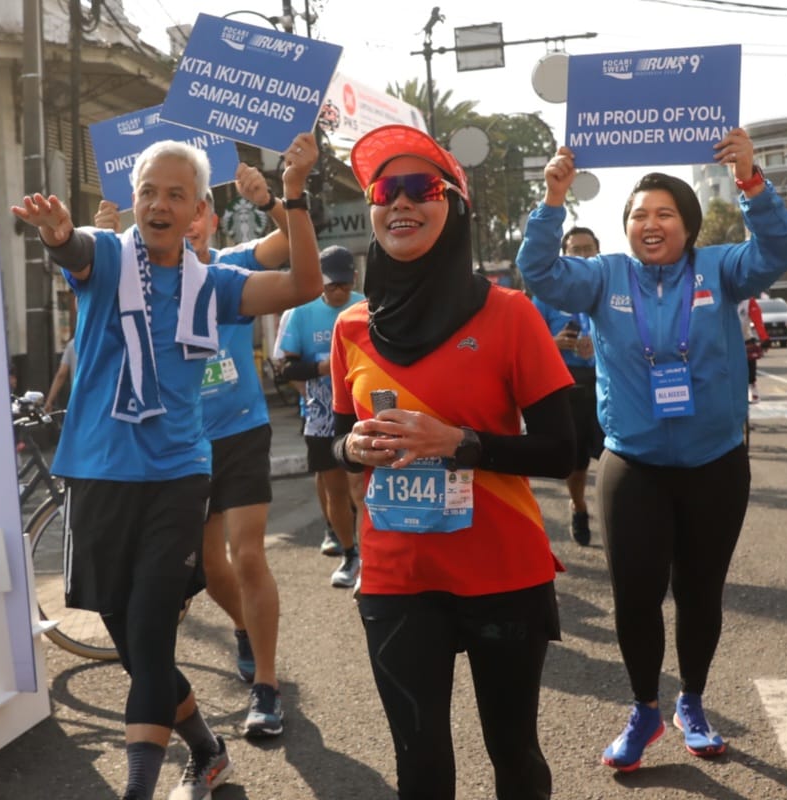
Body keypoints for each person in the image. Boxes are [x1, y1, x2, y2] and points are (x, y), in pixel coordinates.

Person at [9, 131, 323, 800]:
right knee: (136, 651)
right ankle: (207, 751)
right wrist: (60, 234)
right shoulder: (110, 260)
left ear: (198, 210)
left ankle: (138, 791)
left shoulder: (215, 285)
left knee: (151, 634)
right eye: (148, 191)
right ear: (135, 199)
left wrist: (293, 197)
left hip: (178, 479)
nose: (158, 203)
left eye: (175, 194)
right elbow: (74, 248)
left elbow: (303, 283)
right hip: (97, 474)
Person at [516, 128, 787, 772]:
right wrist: (553, 200)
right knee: (636, 597)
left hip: (715, 463)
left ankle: (691, 703)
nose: (651, 223)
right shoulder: (603, 276)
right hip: (633, 465)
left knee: (701, 593)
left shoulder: (723, 267)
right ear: (625, 227)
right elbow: (539, 271)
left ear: (688, 225)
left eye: (665, 213)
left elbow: (778, 248)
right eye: (639, 214)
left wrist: (753, 182)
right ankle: (645, 709)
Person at [331, 124, 576, 800]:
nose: (400, 202)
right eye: (387, 189)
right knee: (421, 770)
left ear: (454, 206)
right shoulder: (351, 326)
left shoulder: (510, 314)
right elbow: (340, 435)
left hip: (501, 565)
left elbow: (565, 447)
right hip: (396, 573)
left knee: (514, 757)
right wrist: (348, 448)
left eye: (421, 187)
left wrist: (461, 444)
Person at [92, 162, 298, 739]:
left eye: (185, 203)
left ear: (204, 214)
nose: (175, 217)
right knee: (209, 568)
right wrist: (102, 235)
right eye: (154, 199)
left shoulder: (229, 268)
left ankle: (268, 686)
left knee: (248, 553)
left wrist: (271, 200)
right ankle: (244, 628)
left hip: (240, 431)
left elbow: (292, 251)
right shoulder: (138, 273)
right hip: (183, 445)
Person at [277, 246, 364, 589]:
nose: (338, 292)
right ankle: (348, 552)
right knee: (334, 489)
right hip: (320, 414)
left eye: (343, 285)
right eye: (331, 287)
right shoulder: (302, 313)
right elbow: (285, 367)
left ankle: (370, 554)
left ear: (352, 280)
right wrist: (321, 368)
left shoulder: (363, 306)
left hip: (358, 409)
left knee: (359, 486)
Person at [530, 226, 604, 546]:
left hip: (608, 381)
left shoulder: (610, 287)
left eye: (588, 248)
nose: (583, 254)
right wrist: (553, 343)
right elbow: (528, 343)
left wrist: (600, 345)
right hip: (569, 385)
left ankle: (622, 513)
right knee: (577, 461)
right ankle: (578, 505)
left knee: (619, 453)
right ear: (565, 254)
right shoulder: (547, 294)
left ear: (597, 251)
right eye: (576, 249)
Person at [738, 296, 768, 403]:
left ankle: (752, 387)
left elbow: (757, 320)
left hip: (745, 338)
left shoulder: (748, 301)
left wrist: (764, 338)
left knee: (750, 364)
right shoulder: (722, 296)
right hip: (727, 340)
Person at [44, 335, 76, 413]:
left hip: (78, 396)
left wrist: (49, 401)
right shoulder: (100, 343)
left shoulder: (72, 344)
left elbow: (61, 374)